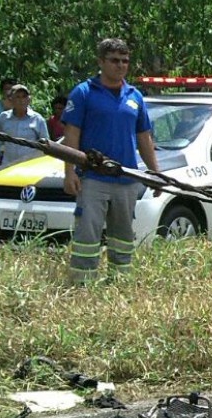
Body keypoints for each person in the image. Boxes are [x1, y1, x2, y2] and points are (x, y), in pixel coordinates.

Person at [61, 38, 160, 284]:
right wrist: (69, 172)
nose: (120, 65)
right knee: (88, 233)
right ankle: (82, 284)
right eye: (114, 60)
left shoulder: (134, 95)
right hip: (93, 178)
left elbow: (144, 137)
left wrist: (156, 173)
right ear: (100, 61)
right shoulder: (83, 92)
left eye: (125, 61)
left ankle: (120, 283)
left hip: (126, 179)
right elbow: (71, 135)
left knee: (123, 235)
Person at [0, 84, 49, 164]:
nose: (21, 100)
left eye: (24, 96)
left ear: (28, 99)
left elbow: (45, 144)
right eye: (18, 97)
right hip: (8, 163)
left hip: (30, 165)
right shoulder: (4, 117)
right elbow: (0, 141)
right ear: (11, 99)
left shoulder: (37, 119)